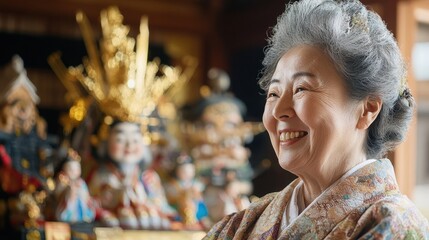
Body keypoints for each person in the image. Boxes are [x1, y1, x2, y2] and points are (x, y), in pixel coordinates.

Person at [204, 0, 429, 239]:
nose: (279, 111)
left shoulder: (395, 226)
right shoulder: (241, 225)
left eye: (302, 89)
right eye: (273, 93)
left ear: (367, 110)